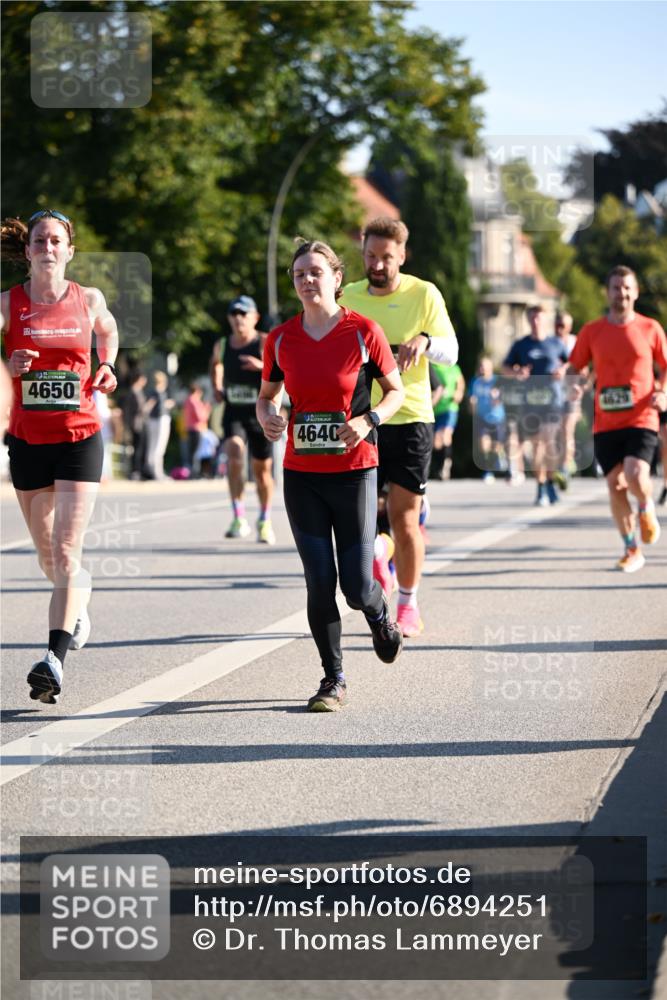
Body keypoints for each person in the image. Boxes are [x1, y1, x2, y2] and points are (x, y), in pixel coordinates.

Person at [257, 239, 405, 712]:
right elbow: (267, 396)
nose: (307, 280)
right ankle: (333, 678)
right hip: (302, 474)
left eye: (315, 272)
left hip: (354, 471)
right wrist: (269, 417)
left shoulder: (363, 331)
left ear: (337, 278)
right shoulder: (280, 339)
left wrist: (368, 420)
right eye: (299, 273)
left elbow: (395, 392)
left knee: (356, 588)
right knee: (319, 581)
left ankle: (379, 614)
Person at [1, 209, 119, 703]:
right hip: (27, 441)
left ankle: (54, 659)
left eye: (55, 241)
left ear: (69, 250)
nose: (47, 248)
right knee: (48, 556)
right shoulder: (8, 303)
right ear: (27, 250)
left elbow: (108, 331)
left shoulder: (87, 299)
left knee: (68, 550)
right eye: (39, 240)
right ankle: (77, 603)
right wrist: (8, 362)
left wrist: (107, 364)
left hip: (78, 437)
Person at [340, 217, 458, 637]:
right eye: (370, 256)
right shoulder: (349, 297)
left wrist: (425, 341)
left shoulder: (423, 294)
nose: (377, 265)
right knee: (361, 519)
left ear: (402, 256)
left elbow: (452, 350)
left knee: (405, 519)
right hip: (361, 421)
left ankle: (408, 605)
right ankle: (378, 552)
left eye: (386, 257)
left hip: (409, 419)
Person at [567, 266, 667, 572]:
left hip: (642, 415)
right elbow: (574, 366)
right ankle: (631, 548)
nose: (621, 293)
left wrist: (663, 392)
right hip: (605, 421)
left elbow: (665, 366)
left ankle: (646, 506)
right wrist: (574, 383)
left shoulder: (650, 328)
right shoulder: (592, 331)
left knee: (635, 474)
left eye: (626, 287)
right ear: (607, 292)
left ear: (635, 292)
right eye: (615, 287)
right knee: (615, 484)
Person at [210, 295, 276, 543]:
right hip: (234, 411)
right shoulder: (223, 344)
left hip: (260, 412)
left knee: (262, 471)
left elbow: (283, 371)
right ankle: (239, 518)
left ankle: (265, 520)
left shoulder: (265, 342)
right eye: (234, 314)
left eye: (243, 314)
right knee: (234, 455)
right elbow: (216, 364)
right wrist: (217, 386)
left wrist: (261, 367)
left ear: (255, 317)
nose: (238, 318)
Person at [501, 305, 569, 506]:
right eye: (532, 318)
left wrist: (562, 371)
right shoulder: (521, 345)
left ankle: (550, 480)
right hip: (530, 401)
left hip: (552, 400)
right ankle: (541, 486)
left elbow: (571, 363)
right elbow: (505, 367)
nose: (535, 322)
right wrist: (517, 373)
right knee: (537, 445)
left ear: (545, 320)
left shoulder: (556, 343)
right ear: (528, 320)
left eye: (539, 318)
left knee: (548, 441)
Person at [469, 356, 507, 483]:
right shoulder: (475, 382)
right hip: (482, 418)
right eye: (481, 366)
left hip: (497, 418)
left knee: (496, 446)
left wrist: (497, 399)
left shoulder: (497, 381)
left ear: (491, 368)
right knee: (483, 445)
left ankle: (497, 460)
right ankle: (487, 471)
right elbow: (472, 399)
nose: (482, 369)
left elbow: (503, 397)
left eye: (485, 366)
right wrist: (472, 404)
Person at [553, 311, 580, 488]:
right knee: (554, 433)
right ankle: (563, 462)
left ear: (569, 327)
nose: (559, 329)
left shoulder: (575, 342)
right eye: (557, 325)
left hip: (571, 392)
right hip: (553, 394)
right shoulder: (549, 343)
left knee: (567, 430)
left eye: (563, 325)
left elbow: (584, 366)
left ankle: (564, 468)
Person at [429, 361, 465, 480]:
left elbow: (460, 383)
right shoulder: (432, 366)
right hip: (436, 409)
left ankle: (446, 465)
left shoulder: (453, 367)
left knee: (445, 435)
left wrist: (458, 393)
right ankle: (439, 466)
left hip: (450, 408)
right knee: (436, 442)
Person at [145, 370, 173, 480]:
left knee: (153, 446)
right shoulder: (159, 392)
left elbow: (148, 406)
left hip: (153, 420)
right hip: (161, 420)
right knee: (159, 447)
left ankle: (153, 471)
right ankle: (157, 472)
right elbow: (149, 406)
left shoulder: (154, 392)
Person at [122, 370, 149, 480]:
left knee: (141, 448)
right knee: (137, 448)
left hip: (141, 423)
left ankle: (140, 470)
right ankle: (135, 471)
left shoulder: (139, 391)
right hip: (136, 424)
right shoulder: (132, 392)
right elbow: (130, 410)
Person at [183, 382, 211, 476]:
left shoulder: (188, 401)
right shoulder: (194, 401)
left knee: (192, 451)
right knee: (197, 452)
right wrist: (207, 409)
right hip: (197, 429)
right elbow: (201, 417)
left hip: (190, 428)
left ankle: (192, 471)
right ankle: (195, 472)